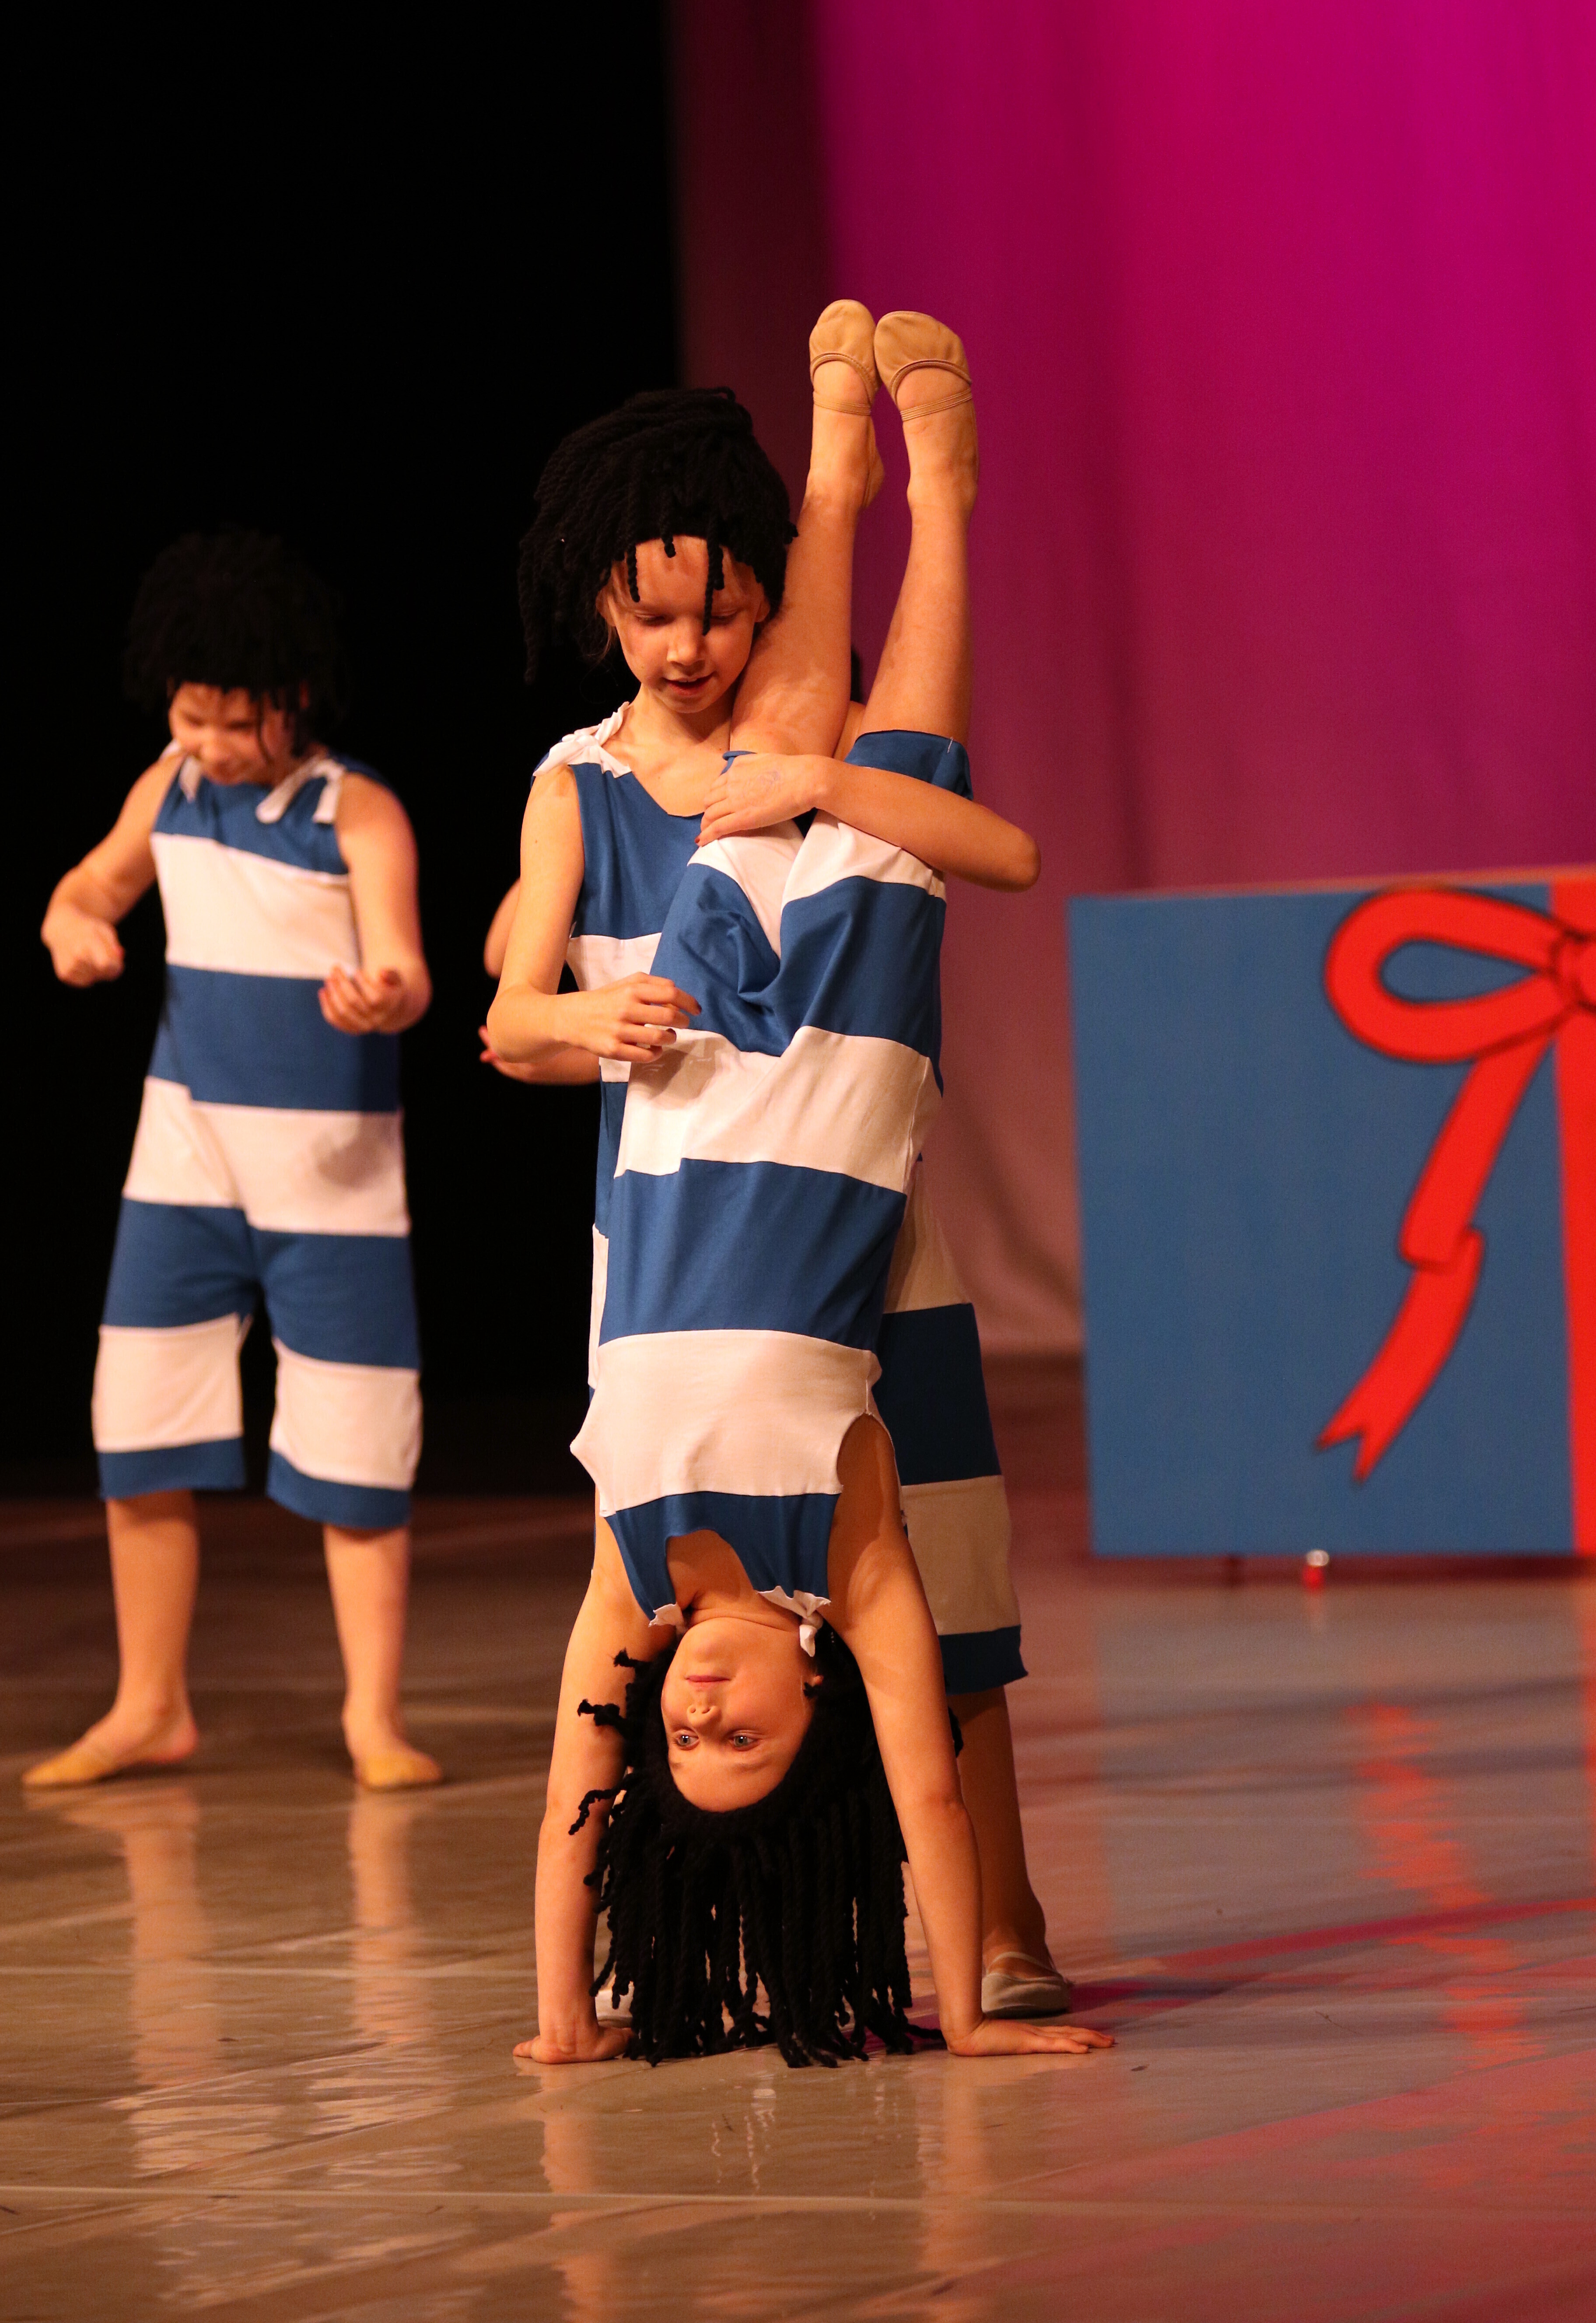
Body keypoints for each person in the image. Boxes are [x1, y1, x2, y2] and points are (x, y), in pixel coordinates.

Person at [493, 308, 1111, 2064]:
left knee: (952, 1566)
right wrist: (577, 1015)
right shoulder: (581, 785)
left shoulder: (781, 727)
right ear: (606, 612)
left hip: (822, 1205)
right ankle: (925, 486)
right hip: (705, 1195)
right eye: (655, 618)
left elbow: (879, 792)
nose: (690, 646)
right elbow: (510, 1013)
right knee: (883, 1588)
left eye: (724, 611)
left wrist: (562, 2017)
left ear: (765, 601)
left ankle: (1003, 1917)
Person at [28, 531, 439, 1793]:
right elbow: (84, 892)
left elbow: (406, 965)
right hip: (186, 1162)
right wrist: (74, 932)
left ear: (294, 697)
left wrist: (383, 995)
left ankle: (373, 1717)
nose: (206, 741)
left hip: (332, 1174)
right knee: (140, 1420)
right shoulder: (166, 788)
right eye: (188, 715)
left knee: (359, 1440)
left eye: (230, 719)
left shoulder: (353, 808)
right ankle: (150, 1703)